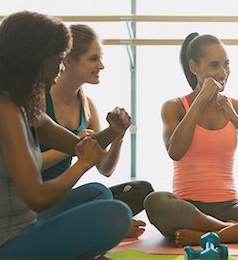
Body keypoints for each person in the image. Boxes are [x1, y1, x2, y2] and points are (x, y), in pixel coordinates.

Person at [0, 11, 132, 259]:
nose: (59, 68)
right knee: (116, 215)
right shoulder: (3, 110)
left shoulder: (25, 108)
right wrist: (83, 165)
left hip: (27, 224)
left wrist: (114, 131)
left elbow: (80, 145)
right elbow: (37, 197)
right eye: (57, 59)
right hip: (1, 244)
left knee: (97, 193)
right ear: (35, 62)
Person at [144, 32, 238, 246]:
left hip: (230, 207)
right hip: (187, 208)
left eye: (226, 64)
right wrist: (199, 102)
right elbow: (175, 152)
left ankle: (205, 234)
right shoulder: (174, 107)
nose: (223, 72)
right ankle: (230, 230)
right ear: (194, 67)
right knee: (155, 202)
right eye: (215, 65)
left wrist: (235, 119)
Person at [39, 24, 153, 238]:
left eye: (100, 58)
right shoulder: (40, 101)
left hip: (62, 199)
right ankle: (107, 227)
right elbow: (31, 162)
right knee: (99, 194)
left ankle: (100, 224)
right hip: (34, 201)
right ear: (69, 61)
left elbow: (104, 168)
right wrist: (75, 146)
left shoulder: (87, 106)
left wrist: (117, 135)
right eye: (93, 59)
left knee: (141, 190)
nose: (101, 65)